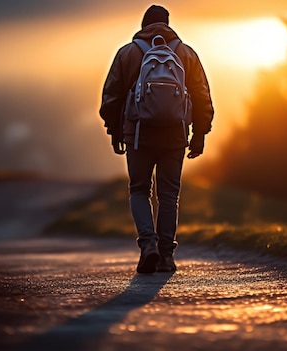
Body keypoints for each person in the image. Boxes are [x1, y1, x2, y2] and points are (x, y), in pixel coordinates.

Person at [99, 5, 214, 274]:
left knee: (139, 190)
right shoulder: (185, 53)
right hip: (175, 134)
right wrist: (199, 134)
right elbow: (201, 96)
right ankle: (166, 256)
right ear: (168, 24)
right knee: (169, 195)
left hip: (138, 134)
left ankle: (147, 245)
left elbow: (111, 97)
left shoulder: (128, 53)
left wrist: (115, 131)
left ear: (143, 25)